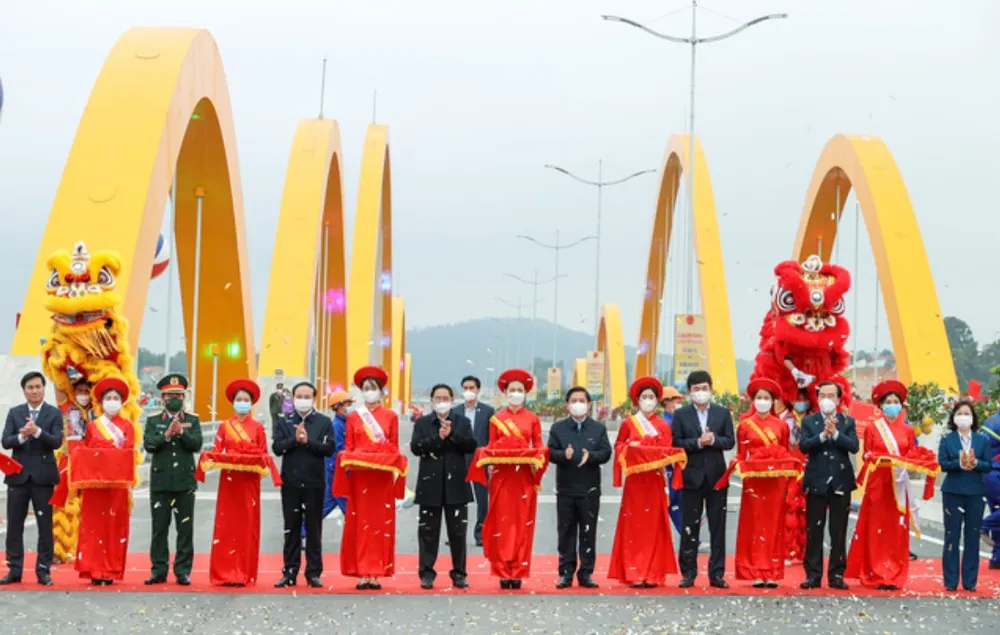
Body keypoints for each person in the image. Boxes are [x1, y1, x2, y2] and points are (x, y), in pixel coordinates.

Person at [846, 380, 938, 590]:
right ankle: (876, 573)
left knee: (896, 530)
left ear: (902, 405)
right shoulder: (872, 428)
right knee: (876, 529)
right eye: (888, 401)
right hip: (878, 484)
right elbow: (867, 455)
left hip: (899, 486)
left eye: (896, 401)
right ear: (880, 406)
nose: (892, 405)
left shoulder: (908, 431)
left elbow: (911, 456)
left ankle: (894, 573)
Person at [466, 368, 548, 590]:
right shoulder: (496, 419)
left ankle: (518, 571)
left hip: (524, 479)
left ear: (525, 393)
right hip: (502, 478)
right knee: (502, 523)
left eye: (519, 390)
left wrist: (537, 456)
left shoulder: (532, 419)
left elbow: (539, 447)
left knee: (522, 524)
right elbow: (491, 447)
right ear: (505, 393)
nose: (515, 393)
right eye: (512, 390)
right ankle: (503, 570)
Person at [197, 379, 280, 586]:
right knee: (227, 526)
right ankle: (223, 573)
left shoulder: (258, 428)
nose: (242, 402)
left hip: (249, 483)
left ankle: (243, 572)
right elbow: (216, 451)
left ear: (251, 403)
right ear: (233, 402)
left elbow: (263, 455)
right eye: (239, 399)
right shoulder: (225, 427)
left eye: (246, 399)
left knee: (246, 525)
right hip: (229, 482)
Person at [608, 377, 685, 588]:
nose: (648, 400)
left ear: (657, 400)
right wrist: (632, 449)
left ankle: (652, 572)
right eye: (644, 397)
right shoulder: (628, 423)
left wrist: (649, 452)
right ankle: (633, 572)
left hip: (656, 481)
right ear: (637, 400)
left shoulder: (663, 425)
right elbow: (618, 447)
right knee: (634, 525)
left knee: (654, 526)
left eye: (652, 397)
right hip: (635, 482)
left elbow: (667, 452)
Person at [334, 366, 406, 590]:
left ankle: (375, 572)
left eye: (373, 388)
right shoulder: (354, 417)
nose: (369, 392)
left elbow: (393, 447)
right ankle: (361, 572)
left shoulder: (391, 417)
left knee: (379, 524)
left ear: (381, 391)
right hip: (360, 478)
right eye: (365, 388)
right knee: (360, 523)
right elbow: (349, 448)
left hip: (381, 479)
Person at [725, 378, 795, 588]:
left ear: (773, 401)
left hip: (775, 484)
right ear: (753, 401)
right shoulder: (745, 425)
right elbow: (741, 455)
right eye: (759, 398)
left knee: (774, 525)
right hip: (754, 483)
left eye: (767, 398)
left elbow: (784, 453)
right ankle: (754, 571)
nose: (763, 401)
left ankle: (772, 571)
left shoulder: (782, 426)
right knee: (754, 525)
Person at [671, 370, 734, 588]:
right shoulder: (681, 416)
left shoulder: (722, 413)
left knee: (718, 527)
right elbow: (676, 443)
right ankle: (688, 572)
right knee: (690, 526)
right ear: (689, 392)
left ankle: (716, 573)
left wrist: (713, 440)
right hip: (691, 477)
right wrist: (698, 442)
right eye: (696, 389)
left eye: (704, 388)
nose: (700, 392)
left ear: (711, 390)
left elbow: (729, 441)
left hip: (717, 477)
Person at [411, 383, 477, 589]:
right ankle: (426, 573)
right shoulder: (422, 423)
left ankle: (459, 573)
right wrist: (438, 438)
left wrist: (452, 436)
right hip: (430, 484)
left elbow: (470, 445)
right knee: (428, 532)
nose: (441, 402)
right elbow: (416, 448)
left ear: (452, 399)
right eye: (437, 398)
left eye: (445, 398)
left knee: (457, 533)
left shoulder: (462, 421)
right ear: (431, 401)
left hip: (456, 484)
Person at [0, 371, 63, 586]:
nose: (34, 391)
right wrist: (22, 436)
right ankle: (14, 569)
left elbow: (56, 441)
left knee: (45, 525)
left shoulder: (53, 413)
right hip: (18, 476)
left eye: (38, 386)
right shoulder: (15, 413)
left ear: (43, 389)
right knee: (15, 525)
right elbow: (6, 441)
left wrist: (37, 432)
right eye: (30, 387)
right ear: (24, 390)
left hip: (43, 478)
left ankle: (43, 570)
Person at [72, 377, 136, 585]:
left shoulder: (128, 426)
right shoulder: (92, 426)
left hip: (117, 486)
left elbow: (128, 454)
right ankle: (93, 568)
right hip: (95, 486)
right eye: (108, 398)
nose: (112, 401)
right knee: (93, 526)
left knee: (113, 526)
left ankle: (110, 569)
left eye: (116, 398)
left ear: (122, 401)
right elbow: (88, 453)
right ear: (101, 402)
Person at [547, 386, 612, 589]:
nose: (577, 405)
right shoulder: (557, 428)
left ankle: (586, 573)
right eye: (573, 401)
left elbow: (606, 453)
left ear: (589, 404)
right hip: (566, 488)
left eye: (581, 401)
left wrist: (590, 456)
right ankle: (565, 572)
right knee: (565, 532)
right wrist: (562, 455)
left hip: (589, 489)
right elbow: (549, 452)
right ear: (567, 405)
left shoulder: (598, 428)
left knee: (588, 532)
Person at [142, 373, 203, 586]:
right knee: (160, 529)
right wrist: (166, 435)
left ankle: (183, 570)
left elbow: (196, 445)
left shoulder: (192, 420)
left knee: (184, 529)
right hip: (161, 483)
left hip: (184, 482)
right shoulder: (153, 421)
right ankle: (158, 569)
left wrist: (182, 434)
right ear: (162, 398)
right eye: (170, 395)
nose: (174, 398)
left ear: (184, 397)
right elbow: (149, 445)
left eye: (178, 394)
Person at [272, 381, 334, 588]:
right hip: (290, 482)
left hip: (315, 483)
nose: (303, 400)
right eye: (299, 396)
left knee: (314, 528)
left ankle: (313, 572)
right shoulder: (285, 421)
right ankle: (289, 571)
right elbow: (277, 447)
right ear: (293, 398)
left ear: (314, 399)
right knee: (291, 528)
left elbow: (329, 448)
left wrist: (308, 442)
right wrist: (294, 441)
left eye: (307, 396)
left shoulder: (324, 422)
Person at [799, 380, 858, 590]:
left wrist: (836, 434)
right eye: (823, 395)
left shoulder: (847, 422)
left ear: (839, 399)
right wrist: (823, 435)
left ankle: (836, 574)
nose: (827, 400)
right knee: (814, 530)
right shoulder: (809, 422)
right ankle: (813, 574)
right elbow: (803, 446)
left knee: (838, 530)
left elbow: (854, 447)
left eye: (831, 396)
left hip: (840, 481)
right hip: (816, 481)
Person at [938, 400, 991, 591]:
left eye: (967, 413)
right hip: (953, 491)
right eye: (960, 413)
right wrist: (958, 463)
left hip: (975, 492)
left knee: (972, 536)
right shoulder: (947, 439)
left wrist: (976, 463)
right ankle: (950, 580)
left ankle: (970, 581)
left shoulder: (981, 440)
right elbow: (942, 462)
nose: (963, 417)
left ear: (973, 418)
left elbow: (989, 465)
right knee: (951, 536)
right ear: (954, 417)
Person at [452, 375, 494, 547]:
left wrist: (491, 460)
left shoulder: (487, 411)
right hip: (460, 459)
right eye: (465, 388)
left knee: (482, 499)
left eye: (472, 388)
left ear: (478, 390)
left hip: (480, 460)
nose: (468, 391)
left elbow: (492, 437)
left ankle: (480, 533)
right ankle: (457, 533)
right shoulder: (455, 412)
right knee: (457, 499)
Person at [783, 388, 812, 563]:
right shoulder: (785, 420)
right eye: (797, 398)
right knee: (789, 510)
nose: (801, 401)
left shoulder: (814, 419)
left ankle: (805, 551)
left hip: (810, 468)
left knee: (808, 511)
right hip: (790, 469)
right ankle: (788, 550)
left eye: (804, 398)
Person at [659, 385, 685, 534]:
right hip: (669, 469)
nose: (678, 403)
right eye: (675, 400)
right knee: (672, 503)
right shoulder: (666, 423)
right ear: (667, 402)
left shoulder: (676, 419)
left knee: (677, 503)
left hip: (676, 467)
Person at [981, 410, 1000, 570]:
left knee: (998, 514)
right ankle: (982, 526)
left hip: (988, 473)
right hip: (994, 472)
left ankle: (997, 558)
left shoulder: (992, 420)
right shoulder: (996, 423)